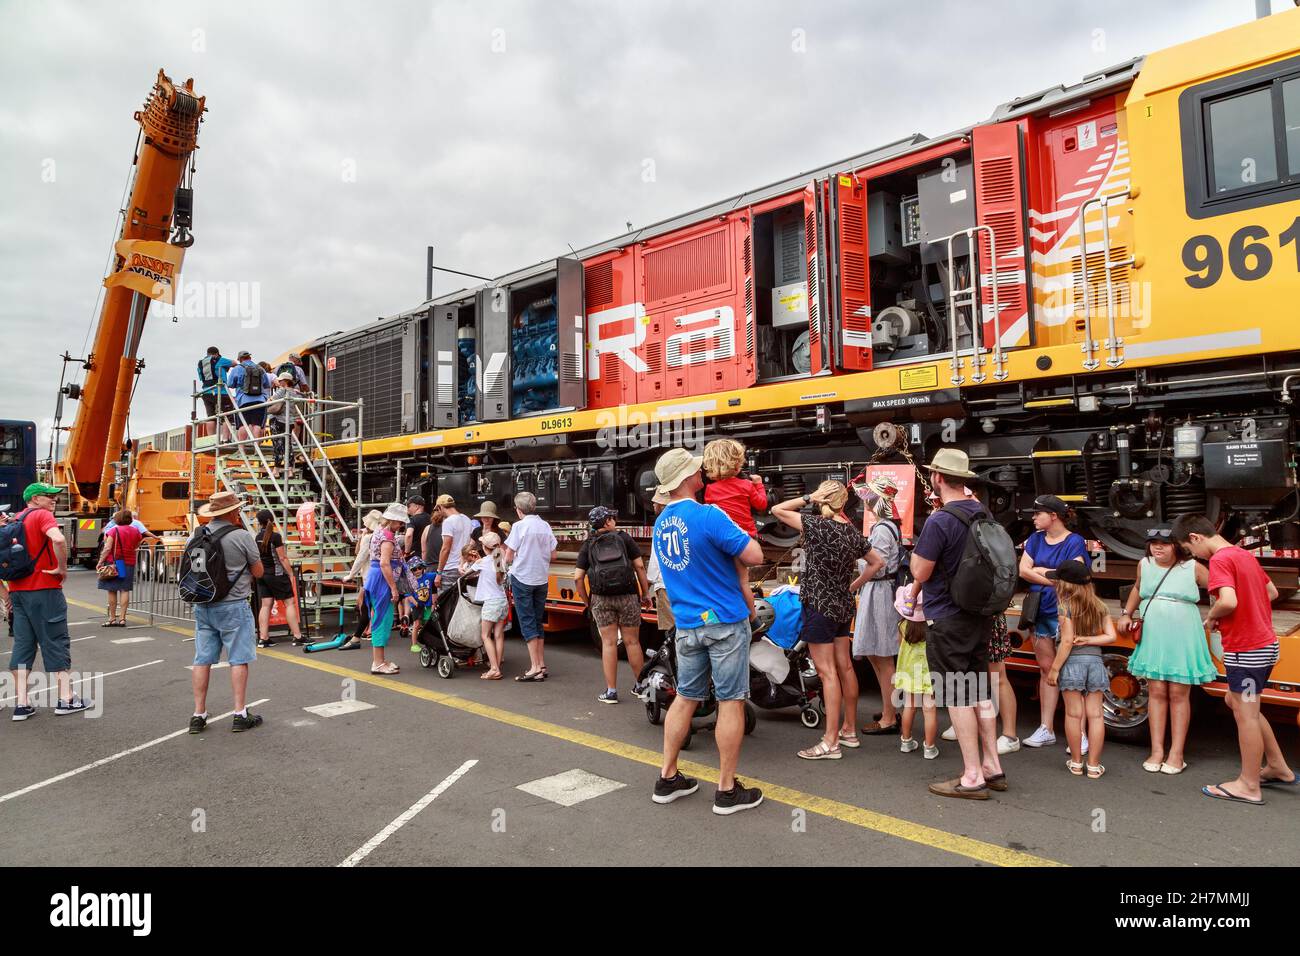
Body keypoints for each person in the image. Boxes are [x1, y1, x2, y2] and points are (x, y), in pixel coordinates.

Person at [650, 448, 766, 814]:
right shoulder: (707, 516)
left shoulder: (661, 523)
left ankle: (668, 777)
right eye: (697, 470)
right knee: (731, 701)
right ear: (688, 478)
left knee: (685, 698)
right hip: (724, 622)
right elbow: (754, 555)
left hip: (687, 625)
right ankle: (727, 790)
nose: (702, 473)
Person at [1172, 514, 1296, 805]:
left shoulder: (1219, 561)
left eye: (1191, 552)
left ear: (1195, 538)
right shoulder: (1242, 555)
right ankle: (1277, 765)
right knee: (1235, 701)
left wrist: (1212, 617)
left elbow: (1228, 601)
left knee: (1246, 715)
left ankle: (1249, 785)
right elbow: (1272, 591)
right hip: (1265, 644)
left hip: (1247, 649)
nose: (1194, 557)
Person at [905, 449, 1005, 800]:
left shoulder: (940, 520)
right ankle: (992, 765)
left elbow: (920, 571)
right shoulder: (982, 511)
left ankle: (973, 775)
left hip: (947, 616)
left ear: (936, 478)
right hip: (980, 613)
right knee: (978, 690)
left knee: (957, 695)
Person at [772, 481, 882, 760]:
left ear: (823, 500)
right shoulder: (851, 532)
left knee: (827, 673)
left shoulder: (816, 526)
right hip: (843, 606)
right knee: (844, 667)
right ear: (843, 504)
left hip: (819, 606)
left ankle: (830, 742)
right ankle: (849, 731)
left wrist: (809, 496)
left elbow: (777, 509)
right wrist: (853, 586)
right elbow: (877, 563)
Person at [1119, 527, 1216, 774]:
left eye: (1164, 543)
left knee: (1178, 693)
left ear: (1177, 546)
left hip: (1183, 632)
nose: (1157, 548)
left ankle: (1177, 752)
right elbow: (1138, 589)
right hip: (1154, 632)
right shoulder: (1145, 564)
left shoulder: (1192, 567)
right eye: (1153, 543)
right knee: (1157, 690)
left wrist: (1217, 614)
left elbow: (1219, 586)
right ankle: (1157, 750)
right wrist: (1126, 613)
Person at [3, 482, 88, 720]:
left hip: (18, 591)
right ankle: (66, 699)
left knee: (22, 644)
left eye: (54, 497)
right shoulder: (41, 515)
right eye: (48, 496)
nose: (54, 500)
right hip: (44, 589)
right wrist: (61, 568)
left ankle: (22, 704)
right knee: (55, 640)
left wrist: (6, 595)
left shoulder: (14, 520)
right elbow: (58, 540)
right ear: (34, 499)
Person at [189, 491, 265, 733]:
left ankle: (198, 714)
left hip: (203, 603)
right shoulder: (241, 536)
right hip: (233, 605)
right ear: (232, 512)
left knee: (202, 659)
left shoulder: (197, 534)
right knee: (239, 658)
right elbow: (259, 571)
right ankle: (239, 713)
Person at [1019, 494, 1090, 751]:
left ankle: (1079, 733)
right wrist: (1054, 577)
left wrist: (1039, 572)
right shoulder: (1036, 539)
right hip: (1041, 610)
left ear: (1054, 515)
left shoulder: (1075, 541)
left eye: (1038, 514)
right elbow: (1023, 569)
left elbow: (1073, 575)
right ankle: (1046, 727)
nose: (1034, 518)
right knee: (1046, 669)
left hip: (1067, 611)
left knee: (1072, 672)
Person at [1045, 560, 1115, 777]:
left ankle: (1076, 763)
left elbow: (1066, 642)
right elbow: (1111, 636)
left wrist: (1055, 669)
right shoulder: (1100, 605)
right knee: (1095, 716)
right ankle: (1094, 766)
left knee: (1074, 715)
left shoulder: (1065, 607)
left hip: (1072, 665)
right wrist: (1089, 639)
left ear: (1066, 585)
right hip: (1095, 665)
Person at [575, 505, 651, 705]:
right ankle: (641, 686)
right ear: (607, 522)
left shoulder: (588, 544)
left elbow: (577, 578)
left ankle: (611, 691)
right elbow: (640, 566)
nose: (614, 520)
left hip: (601, 598)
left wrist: (588, 602)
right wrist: (645, 593)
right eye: (612, 518)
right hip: (627, 596)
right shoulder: (624, 538)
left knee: (609, 643)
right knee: (632, 642)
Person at [852, 474, 904, 735]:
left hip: (879, 593)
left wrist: (853, 585)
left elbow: (878, 566)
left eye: (869, 499)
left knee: (882, 657)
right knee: (878, 655)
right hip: (879, 591)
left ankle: (889, 717)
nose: (865, 504)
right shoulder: (887, 526)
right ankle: (889, 708)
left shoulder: (882, 529)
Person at [504, 492, 557, 681]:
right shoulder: (545, 526)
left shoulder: (519, 526)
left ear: (519, 510)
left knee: (526, 622)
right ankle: (541, 664)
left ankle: (534, 667)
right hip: (541, 578)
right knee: (537, 620)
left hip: (522, 577)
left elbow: (508, 556)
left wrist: (511, 562)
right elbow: (554, 555)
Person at [363, 503, 412, 676]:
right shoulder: (388, 536)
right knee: (382, 619)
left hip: (377, 577)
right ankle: (377, 662)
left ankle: (380, 660)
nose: (401, 525)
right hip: (383, 580)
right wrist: (393, 588)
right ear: (393, 520)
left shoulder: (379, 531)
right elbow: (385, 562)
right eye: (399, 522)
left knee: (380, 617)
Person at [894, 589, 939, 759]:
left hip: (909, 671)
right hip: (928, 671)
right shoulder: (932, 626)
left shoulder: (902, 625)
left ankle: (906, 741)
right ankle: (929, 747)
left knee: (909, 706)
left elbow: (900, 646)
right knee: (929, 709)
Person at [253, 509, 304, 648]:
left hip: (263, 575)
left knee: (266, 605)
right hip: (276, 574)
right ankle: (297, 636)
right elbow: (282, 558)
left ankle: (263, 638)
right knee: (289, 603)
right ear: (272, 520)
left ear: (259, 522)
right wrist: (291, 574)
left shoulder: (257, 537)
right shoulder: (275, 537)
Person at [702, 438, 767, 536]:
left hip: (723, 536)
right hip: (746, 536)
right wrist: (759, 484)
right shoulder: (746, 485)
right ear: (737, 464)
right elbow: (761, 505)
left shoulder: (710, 489)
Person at [342, 510, 385, 651]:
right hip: (384, 576)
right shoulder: (384, 535)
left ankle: (357, 638)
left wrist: (350, 575)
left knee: (366, 607)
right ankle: (373, 635)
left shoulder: (369, 538)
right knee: (378, 608)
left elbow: (360, 558)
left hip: (370, 577)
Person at [96, 510, 143, 627]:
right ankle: (122, 618)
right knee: (125, 590)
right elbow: (137, 544)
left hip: (115, 563)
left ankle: (112, 618)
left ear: (117, 519)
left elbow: (107, 548)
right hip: (129, 563)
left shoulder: (113, 530)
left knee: (112, 590)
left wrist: (100, 561)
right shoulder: (135, 531)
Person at [473, 531, 509, 680]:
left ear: (484, 547)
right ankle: (497, 665)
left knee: (485, 635)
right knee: (498, 635)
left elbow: (464, 571)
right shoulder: (501, 559)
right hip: (502, 601)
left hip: (491, 602)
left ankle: (494, 668)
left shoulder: (482, 562)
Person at [226, 350, 274, 441]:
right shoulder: (260, 368)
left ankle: (242, 449)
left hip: (243, 400)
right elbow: (267, 384)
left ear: (240, 359)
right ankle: (256, 449)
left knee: (243, 424)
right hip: (260, 400)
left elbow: (230, 384)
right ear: (250, 357)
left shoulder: (237, 368)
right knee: (257, 424)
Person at [434, 494, 472, 594]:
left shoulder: (448, 522)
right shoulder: (467, 519)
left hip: (450, 568)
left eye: (438, 510)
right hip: (463, 567)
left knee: (445, 604)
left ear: (440, 507)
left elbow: (446, 548)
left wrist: (439, 572)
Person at [196, 346, 234, 439]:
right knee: (227, 415)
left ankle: (211, 440)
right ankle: (225, 439)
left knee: (210, 416)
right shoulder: (220, 360)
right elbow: (235, 363)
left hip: (206, 392)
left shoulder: (201, 363)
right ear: (216, 353)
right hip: (221, 391)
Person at [266, 371, 296, 475]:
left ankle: (276, 470)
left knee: (277, 444)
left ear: (285, 381)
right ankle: (290, 470)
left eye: (280, 380)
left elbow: (270, 401)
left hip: (277, 420)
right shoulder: (295, 392)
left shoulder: (281, 391)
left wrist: (269, 399)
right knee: (288, 445)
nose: (279, 382)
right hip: (290, 421)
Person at [404, 495, 430, 560]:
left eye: (409, 506)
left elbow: (409, 535)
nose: (408, 509)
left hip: (415, 556)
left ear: (416, 506)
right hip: (429, 554)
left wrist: (406, 552)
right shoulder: (431, 518)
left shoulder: (411, 520)